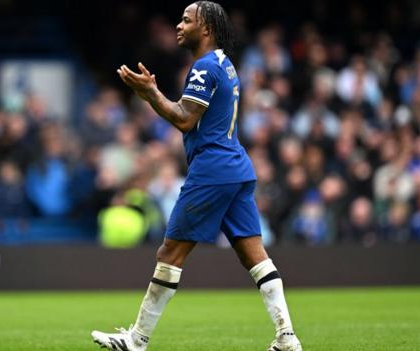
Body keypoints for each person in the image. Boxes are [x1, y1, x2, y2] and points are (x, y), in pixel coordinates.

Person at [91, 2, 302, 351]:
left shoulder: (204, 68)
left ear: (205, 28)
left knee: (169, 252)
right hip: (237, 166)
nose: (179, 25)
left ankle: (137, 340)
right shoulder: (226, 64)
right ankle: (287, 337)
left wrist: (150, 94)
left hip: (213, 170)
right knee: (255, 255)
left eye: (186, 20)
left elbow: (185, 119)